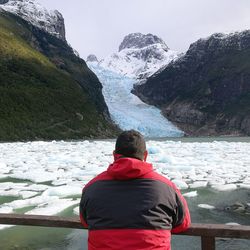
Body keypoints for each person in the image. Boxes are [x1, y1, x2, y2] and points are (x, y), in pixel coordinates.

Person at [79, 130, 191, 250]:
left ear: (114, 155)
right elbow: (182, 224)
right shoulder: (167, 187)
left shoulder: (92, 187)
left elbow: (85, 221)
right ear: (145, 155)